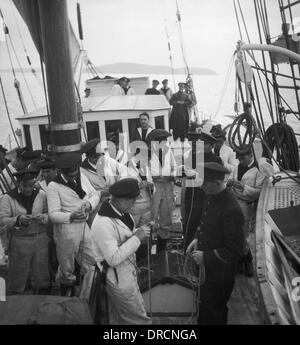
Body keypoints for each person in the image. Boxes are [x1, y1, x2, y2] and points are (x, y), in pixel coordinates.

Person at [186, 162, 244, 325]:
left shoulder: (231, 209)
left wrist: (206, 256)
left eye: (204, 183)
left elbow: (235, 250)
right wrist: (197, 237)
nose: (201, 187)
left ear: (217, 183)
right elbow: (205, 221)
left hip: (220, 275)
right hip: (208, 271)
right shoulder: (211, 195)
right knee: (205, 308)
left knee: (215, 312)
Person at [91, 178, 152, 325]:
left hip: (126, 270)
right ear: (120, 200)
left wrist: (140, 231)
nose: (133, 206)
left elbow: (124, 235)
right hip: (117, 276)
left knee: (118, 318)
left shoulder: (122, 213)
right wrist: (137, 237)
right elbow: (112, 258)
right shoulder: (104, 223)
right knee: (138, 319)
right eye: (131, 202)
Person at [46, 152, 100, 296]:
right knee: (66, 265)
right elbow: (53, 214)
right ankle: (67, 293)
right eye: (70, 176)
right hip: (66, 230)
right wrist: (71, 216)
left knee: (92, 258)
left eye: (75, 174)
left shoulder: (82, 176)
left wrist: (89, 204)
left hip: (83, 226)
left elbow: (95, 194)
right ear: (62, 172)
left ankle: (90, 291)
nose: (74, 177)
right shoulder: (54, 186)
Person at [0, 167, 51, 294]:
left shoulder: (41, 194)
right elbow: (2, 221)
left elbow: (49, 213)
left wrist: (43, 217)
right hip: (19, 241)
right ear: (18, 183)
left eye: (31, 185)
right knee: (18, 272)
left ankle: (42, 297)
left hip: (40, 240)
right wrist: (18, 219)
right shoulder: (8, 198)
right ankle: (17, 301)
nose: (28, 189)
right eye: (24, 186)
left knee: (41, 271)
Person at [227, 147, 265, 277]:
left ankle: (247, 261)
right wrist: (229, 183)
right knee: (233, 233)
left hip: (246, 206)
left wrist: (244, 187)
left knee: (243, 236)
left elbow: (260, 192)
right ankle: (239, 261)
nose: (240, 160)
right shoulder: (236, 167)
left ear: (250, 155)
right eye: (238, 158)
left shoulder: (258, 171)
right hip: (233, 203)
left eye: (243, 157)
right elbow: (229, 180)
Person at [183, 131, 223, 250]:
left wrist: (197, 176)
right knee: (190, 224)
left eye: (204, 144)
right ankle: (186, 251)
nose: (201, 145)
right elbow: (186, 173)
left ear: (211, 146)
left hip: (208, 198)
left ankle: (204, 251)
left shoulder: (217, 160)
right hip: (193, 197)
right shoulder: (193, 156)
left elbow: (216, 180)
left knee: (206, 225)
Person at [149, 129, 176, 252]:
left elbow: (174, 166)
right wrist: (152, 178)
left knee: (166, 212)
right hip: (154, 185)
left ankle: (161, 248)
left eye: (164, 140)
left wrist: (172, 175)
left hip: (167, 184)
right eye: (160, 141)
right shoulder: (148, 152)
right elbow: (144, 170)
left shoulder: (168, 150)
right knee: (152, 213)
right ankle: (148, 244)